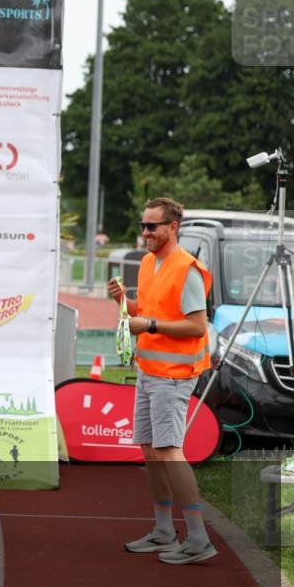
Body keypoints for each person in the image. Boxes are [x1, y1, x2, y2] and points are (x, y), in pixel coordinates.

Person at [109, 197, 217, 565]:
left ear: (172, 227)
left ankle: (199, 538)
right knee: (152, 451)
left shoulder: (187, 269)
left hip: (173, 376)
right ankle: (163, 530)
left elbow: (196, 325)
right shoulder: (148, 263)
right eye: (142, 225)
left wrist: (149, 324)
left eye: (152, 226)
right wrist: (126, 302)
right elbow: (151, 309)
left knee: (170, 452)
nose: (145, 232)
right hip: (149, 370)